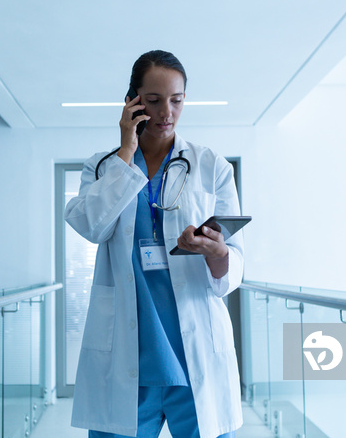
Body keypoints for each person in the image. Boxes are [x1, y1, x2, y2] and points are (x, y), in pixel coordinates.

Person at [65, 50, 243, 438]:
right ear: (132, 101)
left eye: (176, 101)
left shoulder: (211, 166)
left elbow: (234, 265)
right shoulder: (102, 167)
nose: (167, 112)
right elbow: (92, 225)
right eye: (154, 100)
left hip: (193, 354)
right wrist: (125, 153)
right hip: (129, 357)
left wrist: (218, 253)